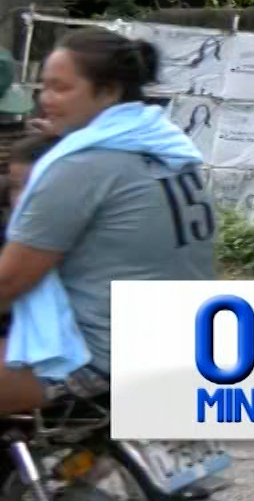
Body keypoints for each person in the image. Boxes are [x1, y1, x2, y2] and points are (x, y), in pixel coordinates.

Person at [0, 28, 215, 411]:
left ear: (109, 92)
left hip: (100, 358)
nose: (44, 100)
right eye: (43, 87)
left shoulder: (83, 165)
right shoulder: (166, 149)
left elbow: (10, 280)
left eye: (60, 89)